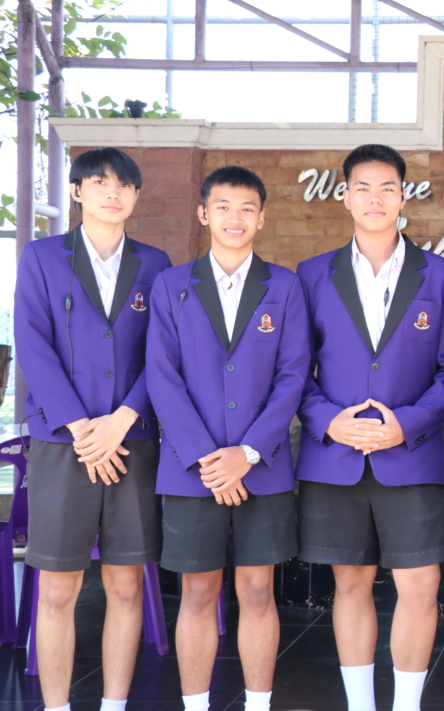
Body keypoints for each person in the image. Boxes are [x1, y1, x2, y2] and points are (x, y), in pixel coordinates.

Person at [296, 143, 444, 711]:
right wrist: (329, 421)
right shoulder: (311, 275)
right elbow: (293, 370)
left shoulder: (442, 277)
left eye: (387, 188)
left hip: (409, 457)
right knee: (350, 583)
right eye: (363, 188)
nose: (375, 199)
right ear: (345, 197)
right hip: (336, 457)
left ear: (403, 196)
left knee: (420, 586)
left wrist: (407, 425)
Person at [14, 147, 171, 711]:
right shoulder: (42, 257)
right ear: (77, 191)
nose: (112, 192)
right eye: (99, 182)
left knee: (126, 584)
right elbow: (32, 342)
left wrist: (123, 419)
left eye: (124, 185)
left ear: (136, 195)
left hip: (133, 443)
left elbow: (164, 353)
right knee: (58, 587)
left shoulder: (155, 263)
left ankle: (114, 705)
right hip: (64, 444)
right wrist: (83, 428)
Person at [147, 166, 309, 711]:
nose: (234, 218)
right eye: (222, 207)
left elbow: (294, 375)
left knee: (259, 590)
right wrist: (207, 459)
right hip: (191, 470)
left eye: (246, 208)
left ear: (261, 218)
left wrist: (248, 452)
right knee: (197, 591)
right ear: (203, 214)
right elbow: (161, 376)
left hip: (263, 467)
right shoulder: (171, 285)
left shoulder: (285, 286)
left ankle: (258, 704)